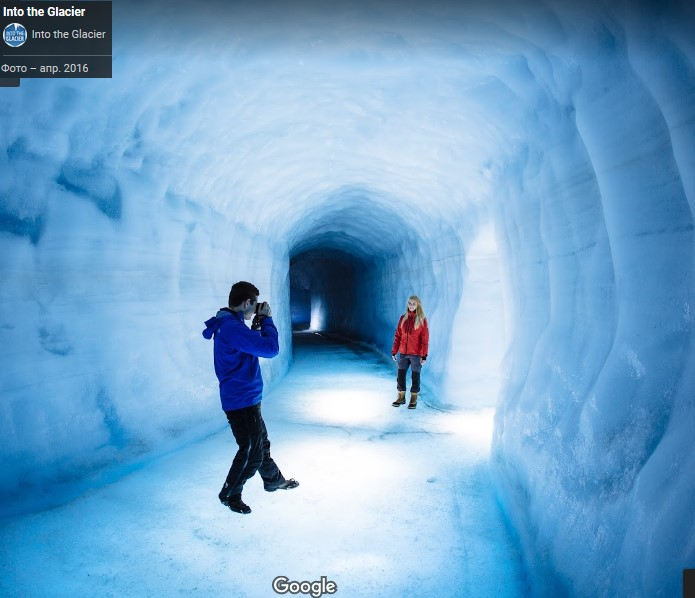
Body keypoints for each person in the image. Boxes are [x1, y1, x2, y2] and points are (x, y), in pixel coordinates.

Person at [202, 281, 298, 515]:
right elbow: (270, 348)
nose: (255, 309)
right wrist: (266, 320)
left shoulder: (232, 325)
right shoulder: (232, 328)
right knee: (250, 451)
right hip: (241, 401)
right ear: (246, 302)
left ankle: (273, 480)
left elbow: (249, 347)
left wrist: (255, 326)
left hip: (246, 397)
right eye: (254, 305)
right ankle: (230, 493)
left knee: (260, 444)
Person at [391, 295, 429, 409]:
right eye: (409, 303)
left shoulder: (422, 320)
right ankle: (401, 397)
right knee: (400, 376)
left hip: (416, 354)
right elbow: (398, 335)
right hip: (403, 353)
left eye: (413, 303)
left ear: (418, 305)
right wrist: (394, 351)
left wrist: (424, 355)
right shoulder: (403, 318)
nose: (411, 305)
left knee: (415, 377)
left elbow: (425, 339)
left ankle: (413, 398)